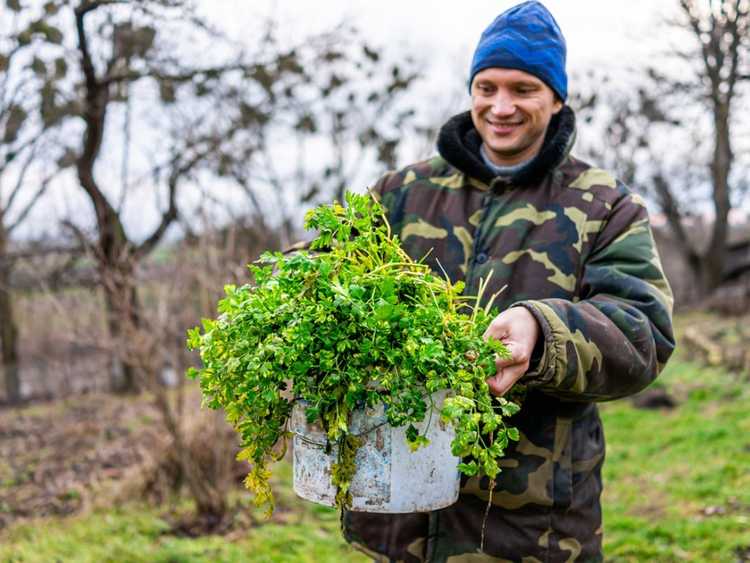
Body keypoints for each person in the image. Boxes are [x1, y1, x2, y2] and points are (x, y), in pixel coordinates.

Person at [343, 2, 676, 561]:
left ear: (557, 98)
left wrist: (541, 330)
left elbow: (643, 331)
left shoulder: (605, 205)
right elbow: (324, 265)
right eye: (486, 86)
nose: (501, 107)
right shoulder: (401, 193)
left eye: (523, 89)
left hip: (528, 525)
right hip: (396, 514)